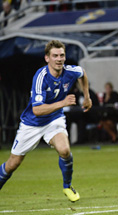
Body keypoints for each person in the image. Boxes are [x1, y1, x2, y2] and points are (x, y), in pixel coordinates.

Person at [0, 40, 92, 202]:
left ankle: (67, 186)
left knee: (64, 150)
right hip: (32, 124)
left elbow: (82, 73)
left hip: (54, 119)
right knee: (13, 164)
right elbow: (37, 110)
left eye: (62, 55)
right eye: (55, 55)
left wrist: (87, 96)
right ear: (47, 58)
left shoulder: (70, 71)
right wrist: (63, 103)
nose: (59, 59)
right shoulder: (40, 77)